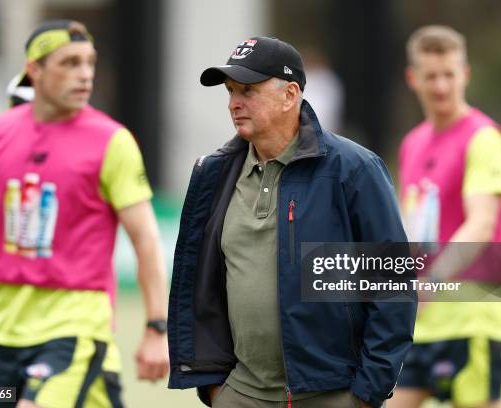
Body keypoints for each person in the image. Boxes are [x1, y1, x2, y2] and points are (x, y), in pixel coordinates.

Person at [167, 36, 417, 408]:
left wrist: (366, 394)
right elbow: (200, 284)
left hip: (331, 395)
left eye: (249, 90)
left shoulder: (354, 169)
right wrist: (215, 388)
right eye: (231, 91)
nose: (235, 102)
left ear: (290, 95)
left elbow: (393, 282)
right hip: (240, 393)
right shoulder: (213, 173)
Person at [0, 20, 169, 407]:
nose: (85, 75)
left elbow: (146, 239)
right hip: (9, 335)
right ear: (35, 70)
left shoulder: (111, 141)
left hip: (74, 329)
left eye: (89, 63)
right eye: (70, 63)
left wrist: (157, 328)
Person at [389, 26, 501, 408]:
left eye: (449, 74)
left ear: (465, 74)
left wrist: (433, 280)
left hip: (470, 321)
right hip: (419, 325)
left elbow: (481, 223)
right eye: (431, 75)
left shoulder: (484, 139)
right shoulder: (412, 143)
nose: (441, 86)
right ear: (414, 79)